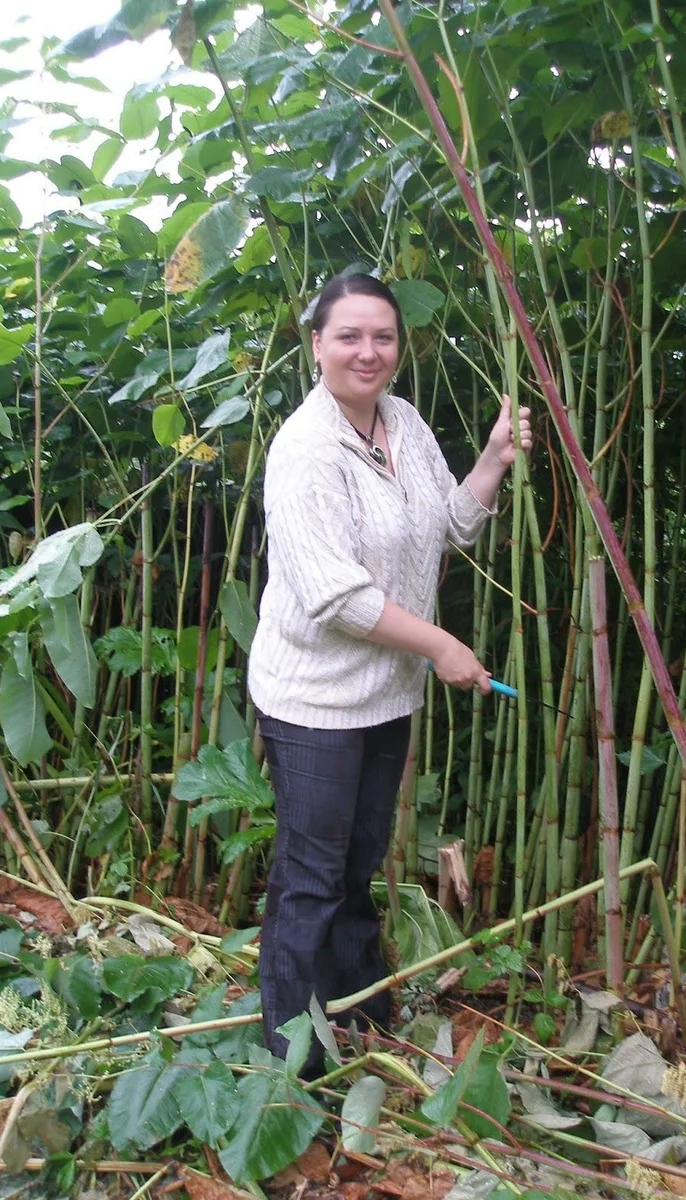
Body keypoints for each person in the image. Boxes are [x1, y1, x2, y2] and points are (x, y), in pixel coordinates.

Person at [247, 272, 532, 1075]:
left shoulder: (402, 422)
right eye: (349, 336)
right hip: (313, 698)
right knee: (311, 873)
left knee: (359, 862)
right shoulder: (304, 450)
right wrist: (440, 644)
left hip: (384, 694)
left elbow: (449, 523)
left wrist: (492, 458)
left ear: (398, 349)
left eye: (383, 337)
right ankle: (291, 1062)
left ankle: (360, 1014)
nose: (367, 352)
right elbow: (335, 596)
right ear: (316, 346)